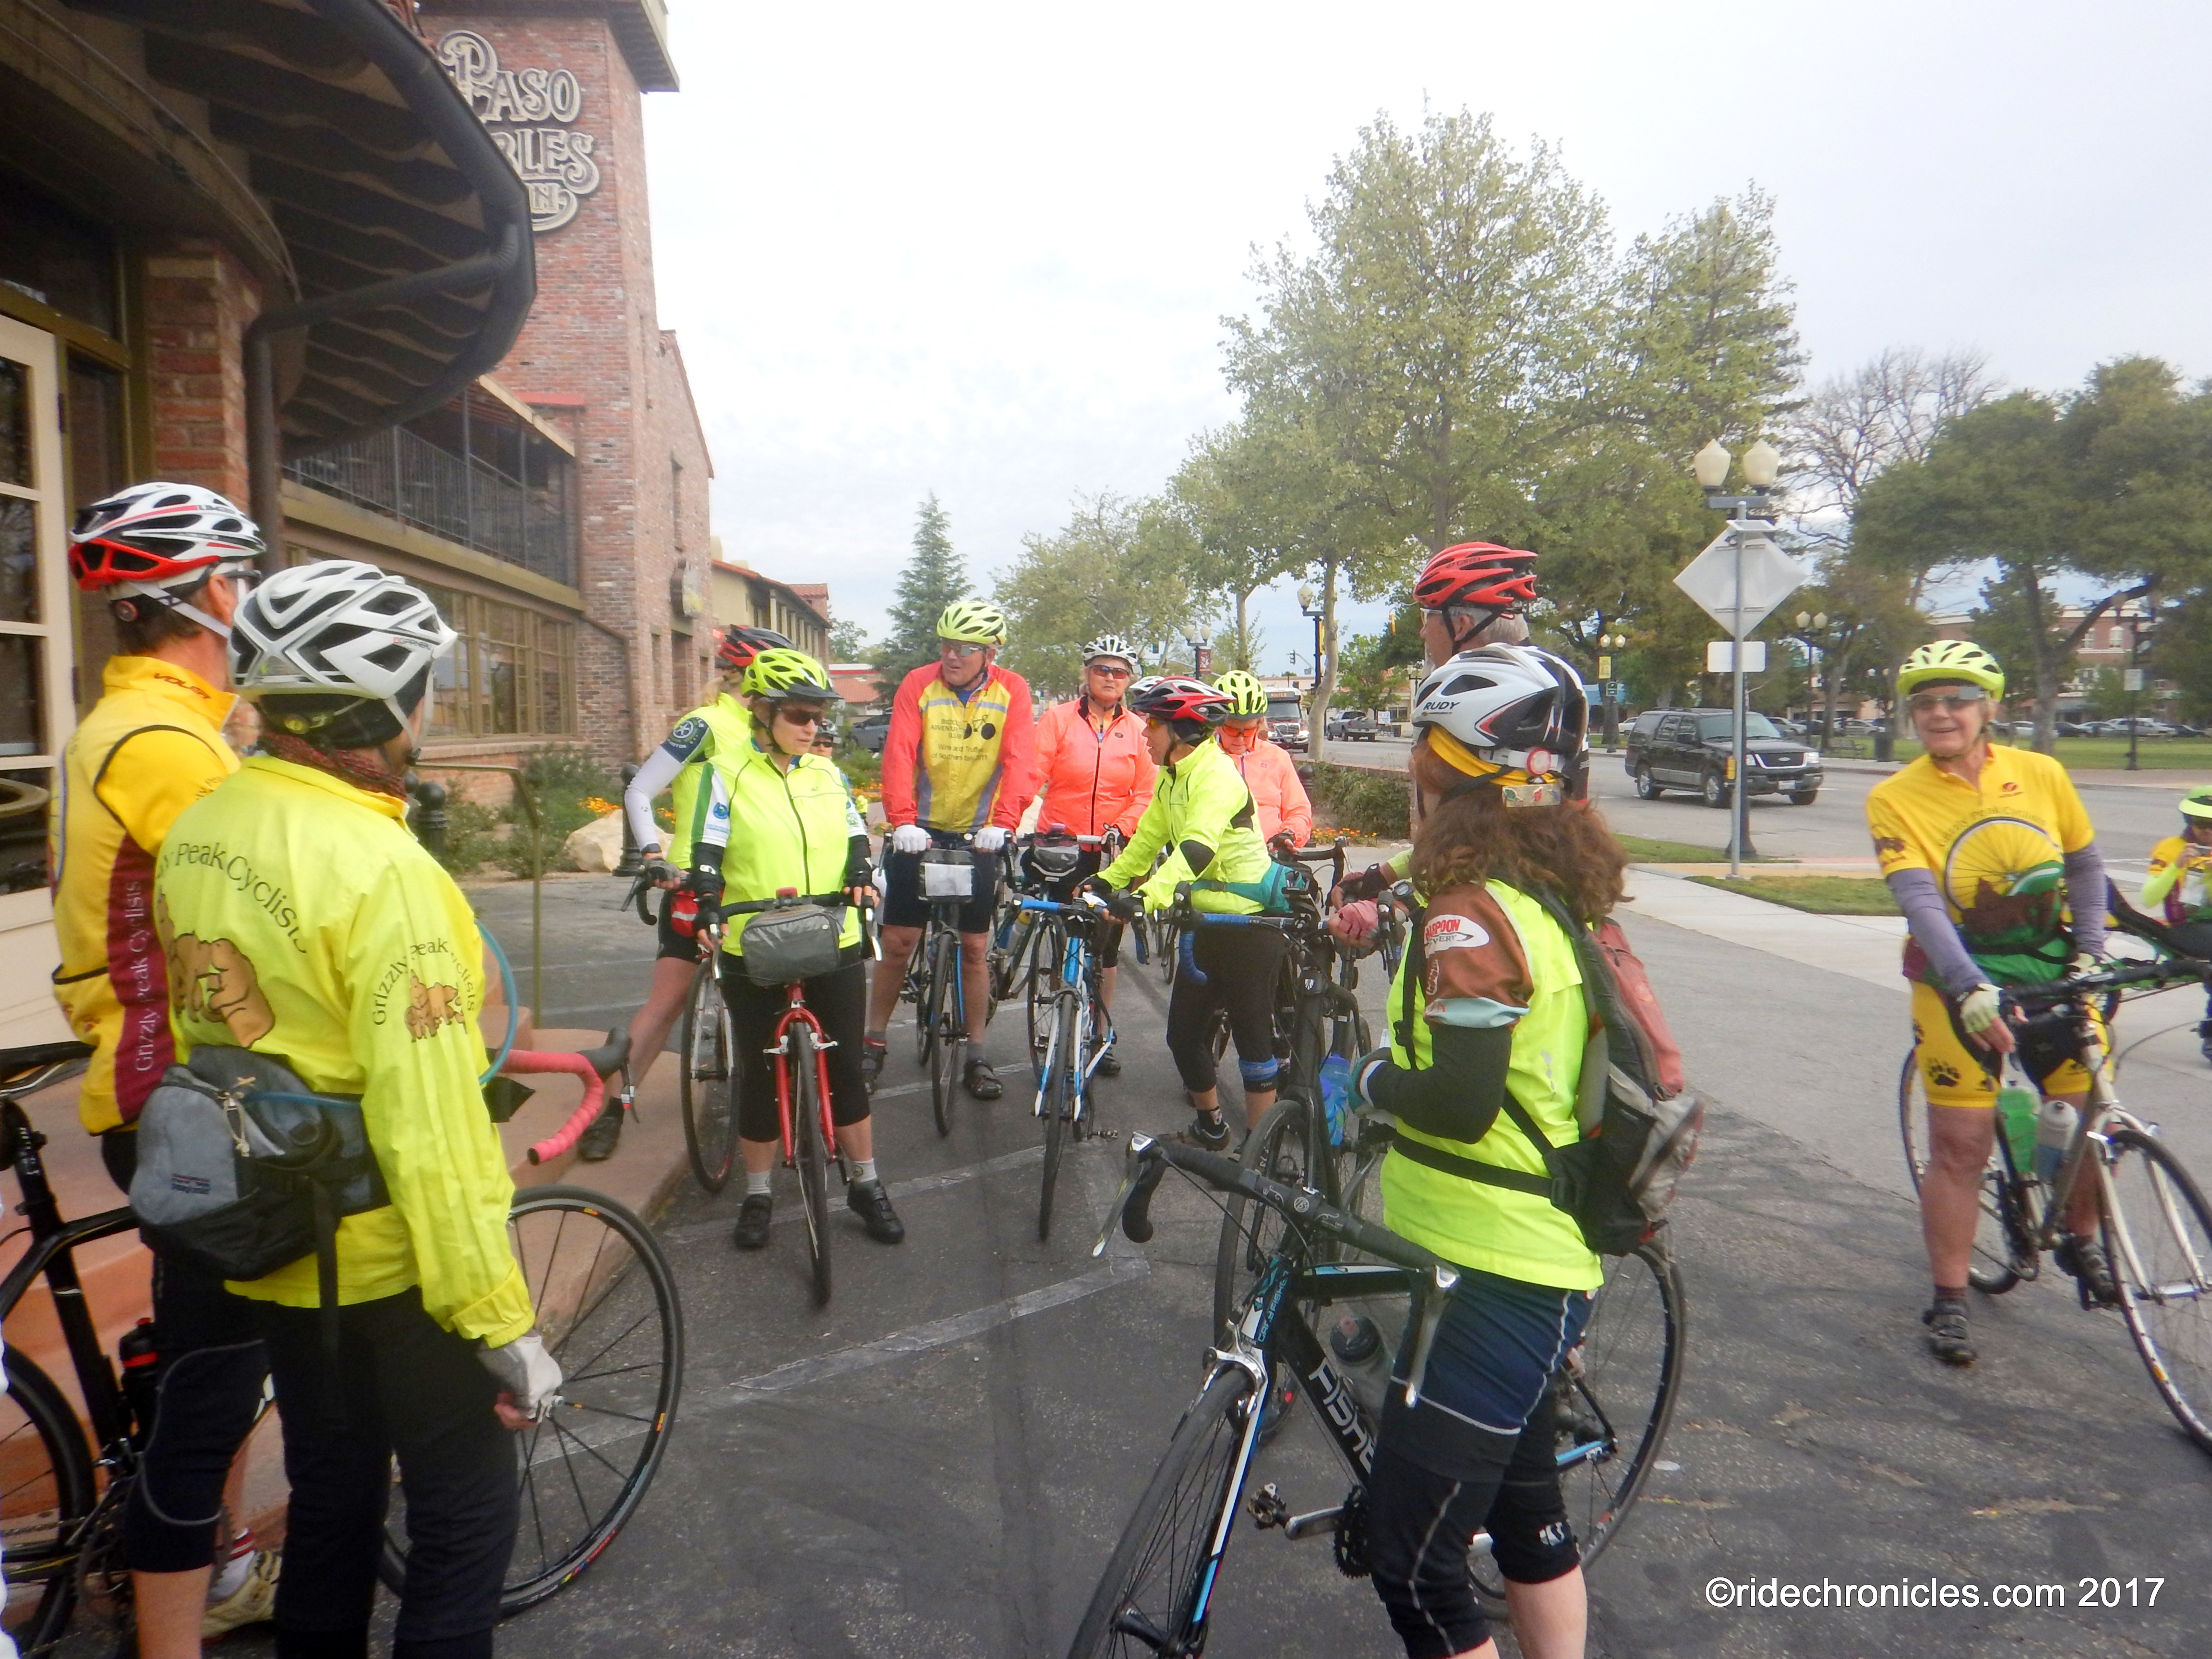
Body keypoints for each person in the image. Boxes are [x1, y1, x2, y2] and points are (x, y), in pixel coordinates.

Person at [156, 559, 559, 1659]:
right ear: (378, 704)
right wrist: (501, 1323)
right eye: (423, 686)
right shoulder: (384, 869)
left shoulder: (201, 828)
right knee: (464, 1523)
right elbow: (432, 1129)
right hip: (395, 1264)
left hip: (275, 1249)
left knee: (332, 1506)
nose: (431, 709)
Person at [1336, 643, 1609, 1659]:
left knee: (1416, 1567)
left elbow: (1457, 1102)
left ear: (1447, 777)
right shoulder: (1531, 888)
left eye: (1421, 756)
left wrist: (1366, 1081)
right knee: (1531, 1523)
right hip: (1516, 1251)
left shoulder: (1470, 914)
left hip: (1491, 1270)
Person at [50, 481, 277, 1652]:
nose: (249, 596)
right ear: (206, 595)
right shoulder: (159, 741)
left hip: (170, 1085)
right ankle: (176, 1625)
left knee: (209, 1354)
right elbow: (263, 909)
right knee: (217, 1376)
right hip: (182, 1095)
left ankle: (223, 1560)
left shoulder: (153, 723)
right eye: (241, 577)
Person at [1865, 640, 2113, 1367]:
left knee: (2092, 1122)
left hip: (2051, 969)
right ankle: (1949, 1298)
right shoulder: (1895, 796)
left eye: (1958, 700)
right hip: (1955, 983)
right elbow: (1919, 899)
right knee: (1962, 1145)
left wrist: (2092, 950)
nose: (1940, 714)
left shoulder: (2041, 773)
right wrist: (1969, 985)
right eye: (1925, 703)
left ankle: (2081, 1240)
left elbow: (2084, 866)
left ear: (1990, 709)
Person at [683, 649, 905, 1249]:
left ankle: (866, 1184)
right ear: (763, 712)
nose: (813, 727)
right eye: (800, 716)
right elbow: (707, 847)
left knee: (846, 1071)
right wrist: (706, 899)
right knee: (759, 1076)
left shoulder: (826, 774)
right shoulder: (725, 772)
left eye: (819, 717)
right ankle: (757, 1193)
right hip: (753, 939)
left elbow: (856, 833)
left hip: (832, 933)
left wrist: (860, 871)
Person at [611, 625, 794, 1162]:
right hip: (696, 879)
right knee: (667, 1001)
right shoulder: (708, 723)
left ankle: (794, 1106)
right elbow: (640, 788)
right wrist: (652, 854)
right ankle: (611, 1107)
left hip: (759, 879)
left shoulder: (780, 727)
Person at [1092, 676, 1277, 1149]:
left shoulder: (1217, 776)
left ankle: (1260, 1157)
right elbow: (1147, 841)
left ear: (1180, 731)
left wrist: (1143, 900)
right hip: (1204, 924)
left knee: (1254, 1046)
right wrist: (1105, 881)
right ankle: (1211, 1127)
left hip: (1248, 924)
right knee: (1183, 1036)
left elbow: (1196, 849)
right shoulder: (1172, 777)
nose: (1144, 734)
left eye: (1152, 725)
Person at [865, 601, 1037, 1099]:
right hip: (919, 829)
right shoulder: (919, 684)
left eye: (964, 648)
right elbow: (900, 753)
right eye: (945, 645)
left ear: (989, 654)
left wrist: (1003, 825)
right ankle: (873, 1042)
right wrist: (901, 819)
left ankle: (977, 1053)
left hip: (980, 833)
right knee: (899, 941)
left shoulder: (1012, 690)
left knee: (975, 947)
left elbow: (1020, 761)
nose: (951, 656)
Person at [1338, 542, 1541, 908]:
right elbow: (1484, 825)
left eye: (1427, 617)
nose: (1423, 633)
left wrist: (1404, 905)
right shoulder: (1556, 691)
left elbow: (1454, 837)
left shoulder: (1458, 701)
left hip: (1474, 919)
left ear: (1461, 625)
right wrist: (1384, 875)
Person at [1028, 633, 1154, 1071]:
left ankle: (1100, 1034)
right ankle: (1058, 1016)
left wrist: (1123, 827)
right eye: (1102, 669)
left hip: (1111, 849)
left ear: (1129, 680)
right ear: (1087, 674)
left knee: (1105, 948)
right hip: (1061, 844)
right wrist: (1013, 819)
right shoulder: (1058, 719)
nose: (1110, 677)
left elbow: (1146, 792)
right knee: (1062, 930)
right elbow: (1033, 773)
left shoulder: (1139, 730)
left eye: (1119, 672)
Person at [2141, 786, 2212, 1063]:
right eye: (2202, 823)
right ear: (2189, 821)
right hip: (2186, 927)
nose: (2208, 831)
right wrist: (2177, 866)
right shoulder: (2170, 848)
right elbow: (2148, 898)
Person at [1213, 670, 1312, 851]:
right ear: (1217, 725)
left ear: (1260, 724)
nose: (1240, 739)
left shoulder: (1278, 758)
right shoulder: (1203, 757)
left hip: (1270, 854)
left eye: (1249, 731)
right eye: (1232, 730)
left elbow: (1299, 811)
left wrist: (1289, 833)